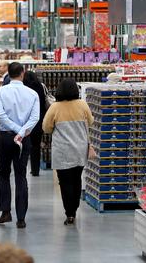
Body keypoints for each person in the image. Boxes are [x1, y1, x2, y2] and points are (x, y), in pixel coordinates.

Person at [0, 62, 40, 229]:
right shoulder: (32, 94)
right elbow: (35, 118)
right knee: (21, 176)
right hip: (23, 139)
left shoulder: (1, 92)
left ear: (9, 73)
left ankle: (5, 212)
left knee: (3, 173)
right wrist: (21, 133)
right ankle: (21, 218)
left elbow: (0, 115)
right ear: (22, 73)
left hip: (5, 138)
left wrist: (14, 130)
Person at [42, 78, 94, 225]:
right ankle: (75, 208)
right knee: (76, 179)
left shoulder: (55, 107)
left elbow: (46, 127)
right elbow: (90, 122)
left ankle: (69, 213)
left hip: (62, 151)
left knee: (64, 183)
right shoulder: (82, 104)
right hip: (80, 148)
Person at [23, 71, 47, 177]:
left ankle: (23, 167)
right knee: (36, 146)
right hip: (39, 119)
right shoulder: (41, 87)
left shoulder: (24, 89)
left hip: (27, 120)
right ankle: (35, 170)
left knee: (26, 145)